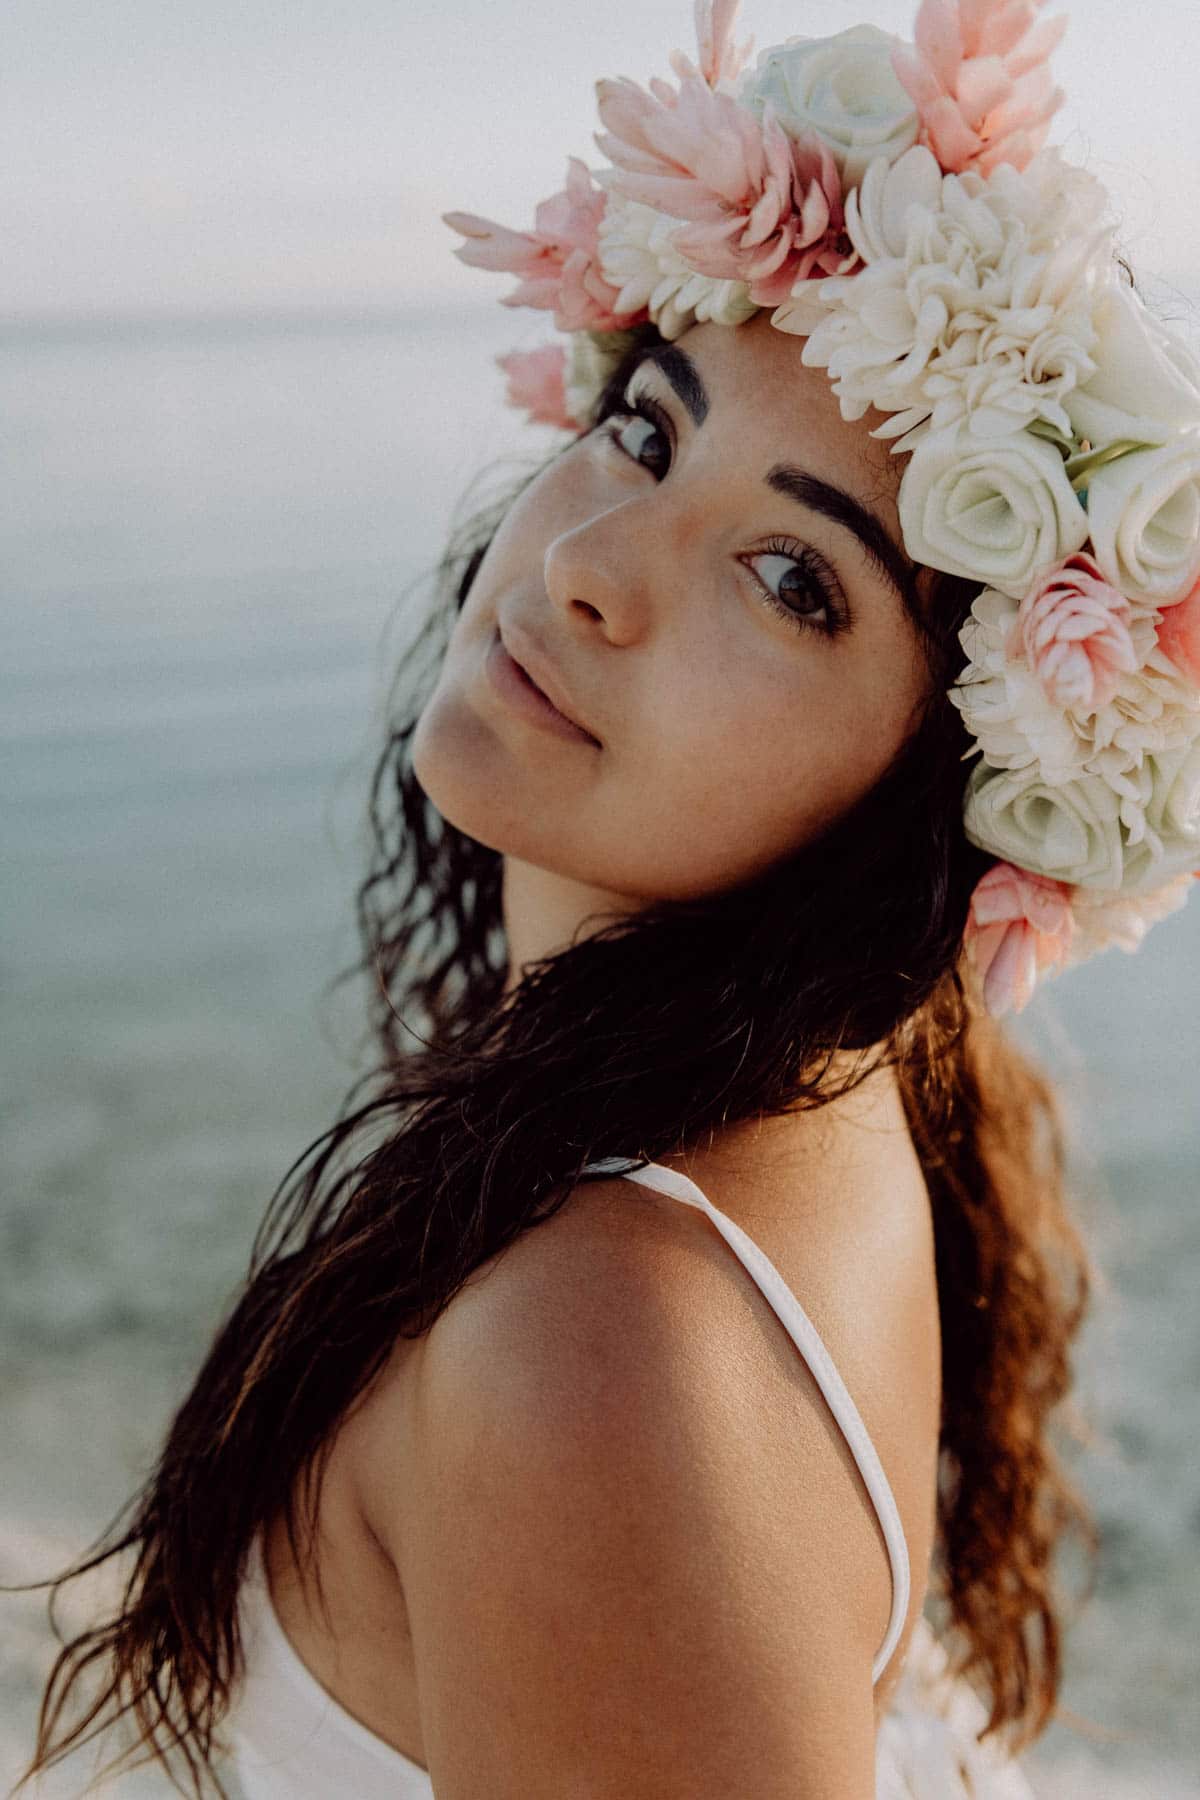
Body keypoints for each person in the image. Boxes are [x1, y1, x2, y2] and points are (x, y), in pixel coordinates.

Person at [14, 1, 1200, 1795]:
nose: (581, 567)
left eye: (794, 578)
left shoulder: (609, 1353)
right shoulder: (844, 1100)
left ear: (941, 787)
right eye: (649, 431)